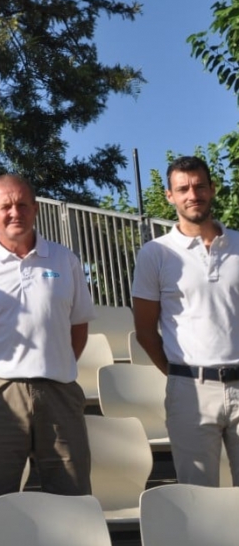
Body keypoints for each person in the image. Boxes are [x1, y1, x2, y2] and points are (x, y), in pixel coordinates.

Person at [0, 174, 94, 546]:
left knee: (73, 503)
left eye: (23, 204)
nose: (15, 212)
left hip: (59, 393)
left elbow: (78, 329)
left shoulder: (65, 260)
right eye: (6, 206)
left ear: (36, 209)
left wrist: (51, 367)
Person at [132, 155, 239, 486]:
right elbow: (146, 331)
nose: (193, 195)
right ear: (170, 196)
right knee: (198, 501)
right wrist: (181, 375)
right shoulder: (156, 253)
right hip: (189, 391)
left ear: (213, 189)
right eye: (183, 189)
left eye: (200, 186)